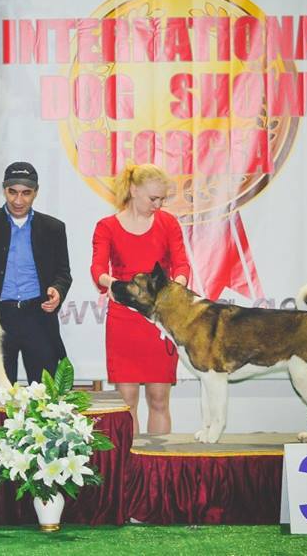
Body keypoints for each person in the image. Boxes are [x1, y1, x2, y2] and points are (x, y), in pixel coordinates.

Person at [91, 164, 190, 436]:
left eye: (162, 199)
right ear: (134, 190)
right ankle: (132, 461)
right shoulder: (107, 226)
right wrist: (111, 283)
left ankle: (159, 460)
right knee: (127, 403)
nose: (158, 205)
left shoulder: (168, 223)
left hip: (159, 320)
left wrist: (177, 286)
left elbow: (182, 264)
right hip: (124, 321)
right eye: (153, 198)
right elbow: (97, 269)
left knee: (159, 400)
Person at [0, 162, 71, 384]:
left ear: (36, 192)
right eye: (12, 192)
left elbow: (63, 272)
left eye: (26, 193)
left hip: (38, 317)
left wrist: (57, 290)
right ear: (4, 190)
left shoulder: (53, 228)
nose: (18, 200)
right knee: (3, 394)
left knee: (45, 393)